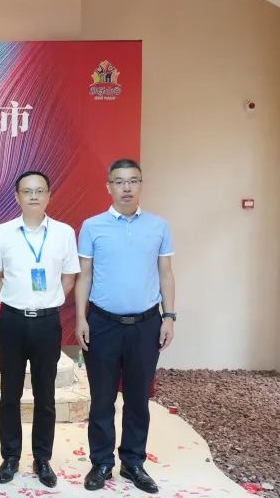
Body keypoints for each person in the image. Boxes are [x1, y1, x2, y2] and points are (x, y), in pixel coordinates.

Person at [75, 159, 176, 494]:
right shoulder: (92, 226)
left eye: (133, 181)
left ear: (141, 184)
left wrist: (169, 316)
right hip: (102, 323)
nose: (127, 187)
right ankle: (101, 462)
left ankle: (133, 463)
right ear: (109, 187)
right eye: (119, 181)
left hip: (146, 324)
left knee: (137, 399)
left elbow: (166, 274)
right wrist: (81, 318)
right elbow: (84, 275)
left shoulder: (159, 226)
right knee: (102, 399)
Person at [0, 171, 80, 488]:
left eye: (40, 191)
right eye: (27, 191)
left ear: (49, 195)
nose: (34, 196)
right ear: (17, 197)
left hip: (47, 323)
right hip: (12, 321)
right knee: (9, 393)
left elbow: (69, 277)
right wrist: (11, 300)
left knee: (45, 394)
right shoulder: (2, 232)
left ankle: (42, 458)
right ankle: (10, 456)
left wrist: (49, 300)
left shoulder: (64, 233)